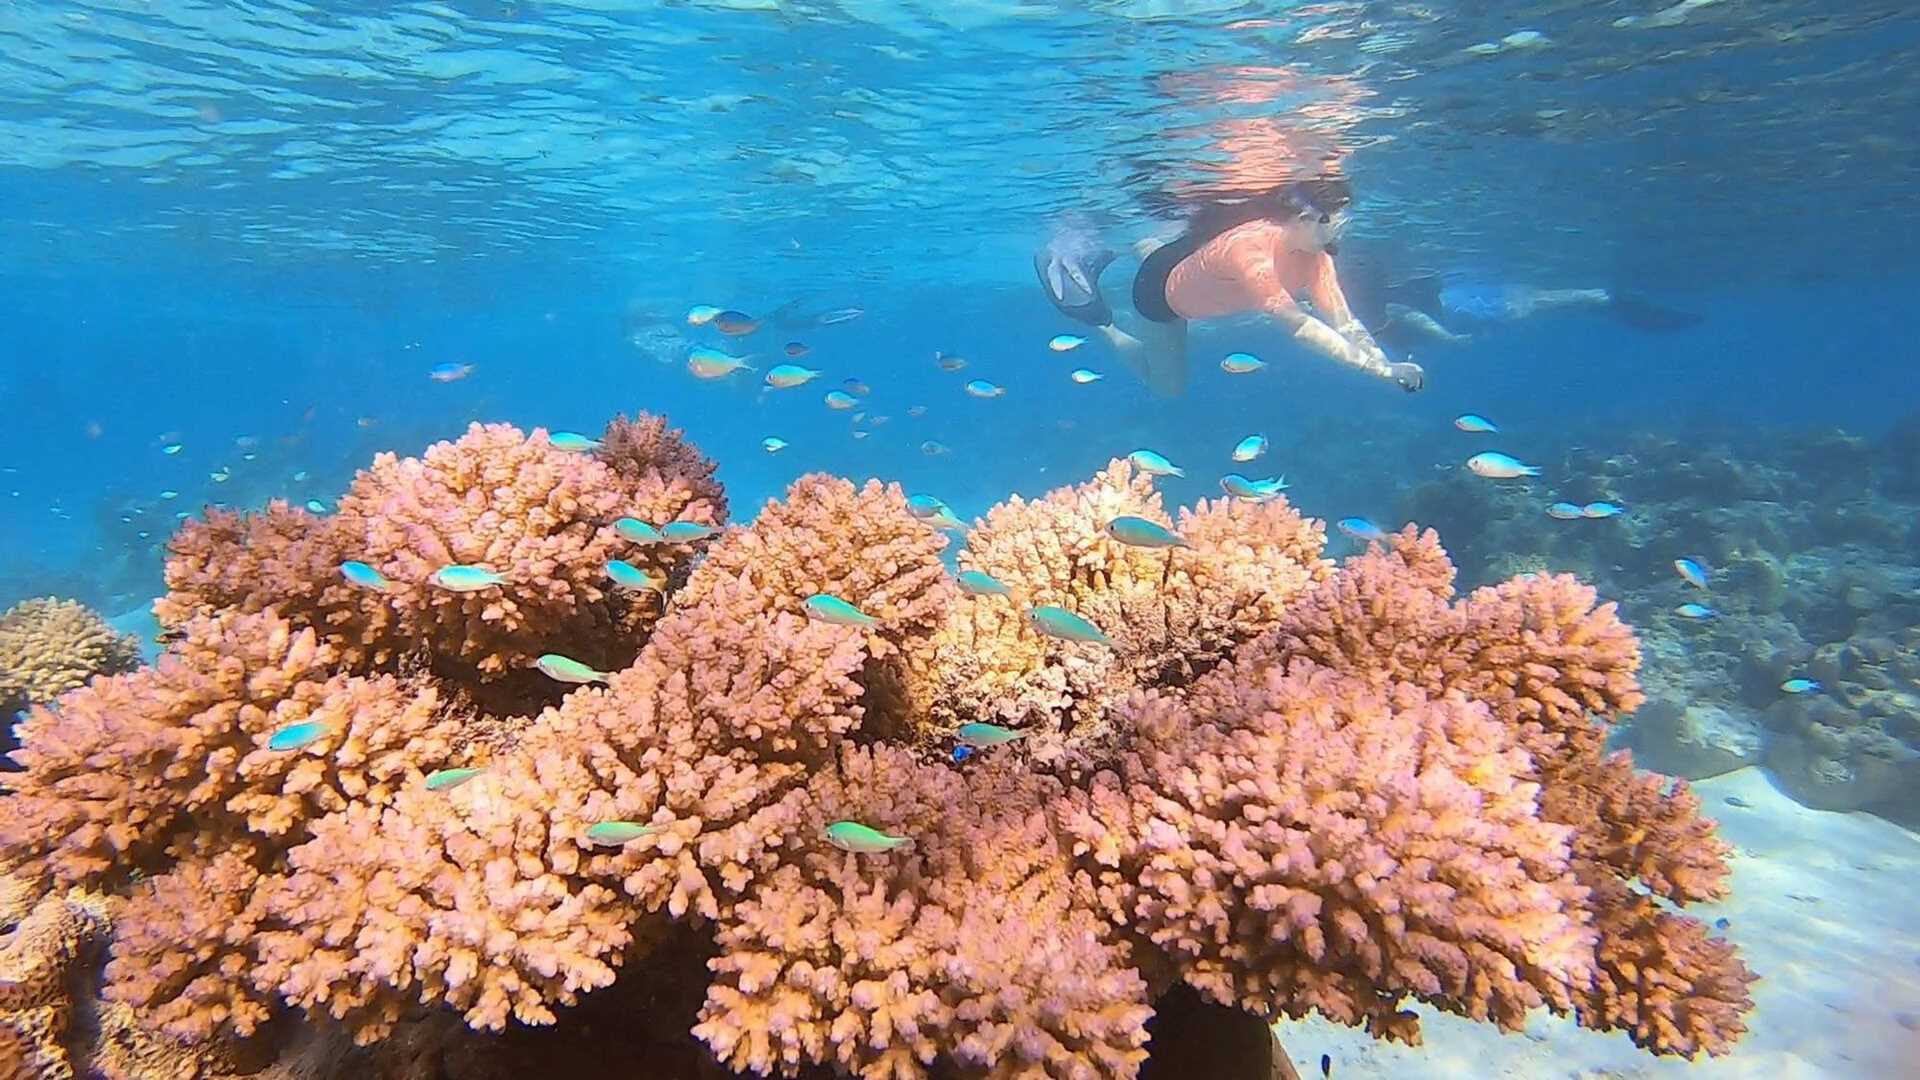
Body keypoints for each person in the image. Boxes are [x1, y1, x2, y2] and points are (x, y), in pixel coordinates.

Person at [1036, 178, 1423, 397]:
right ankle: (1099, 319)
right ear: (1305, 218)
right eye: (1336, 221)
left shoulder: (1316, 256)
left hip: (1193, 262)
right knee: (1167, 387)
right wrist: (1379, 371)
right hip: (1160, 296)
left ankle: (1135, 243)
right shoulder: (1250, 251)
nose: (1342, 230)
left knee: (1179, 256)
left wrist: (1386, 363)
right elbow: (1300, 326)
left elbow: (1343, 318)